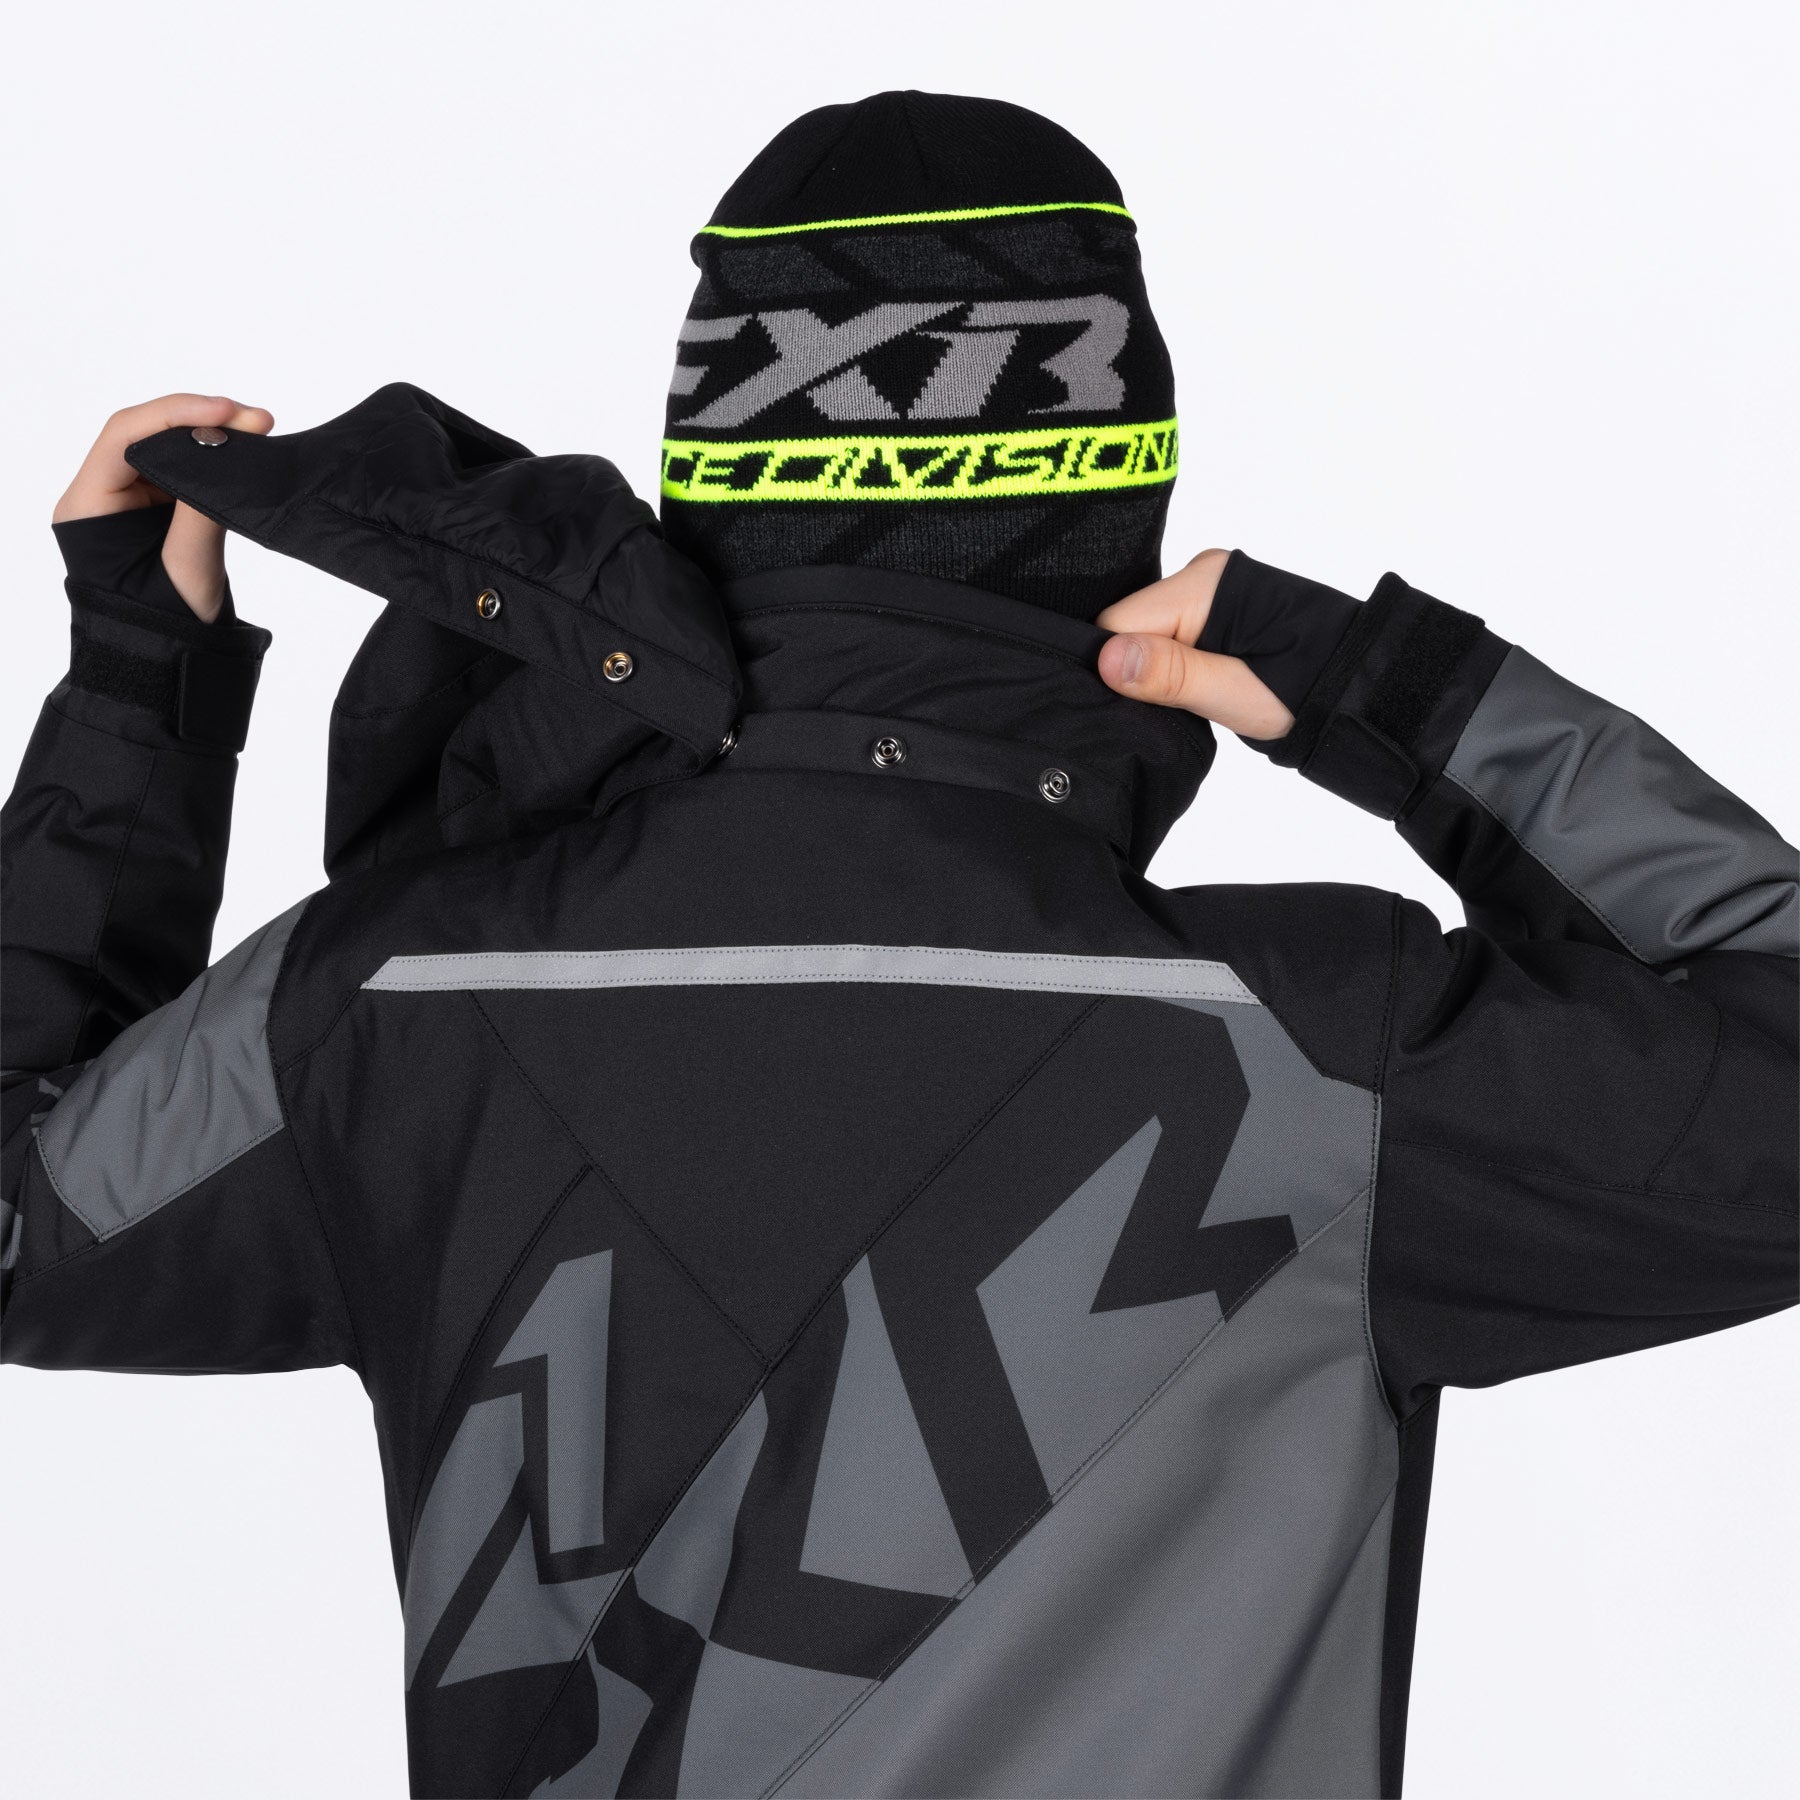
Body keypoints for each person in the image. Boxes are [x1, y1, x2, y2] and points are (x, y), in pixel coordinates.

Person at [2, 91, 1793, 1800]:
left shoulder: (389, 1004)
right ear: (1116, 519)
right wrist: (1392, 694)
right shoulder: (1328, 1059)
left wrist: (141, 694)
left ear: (714, 490)